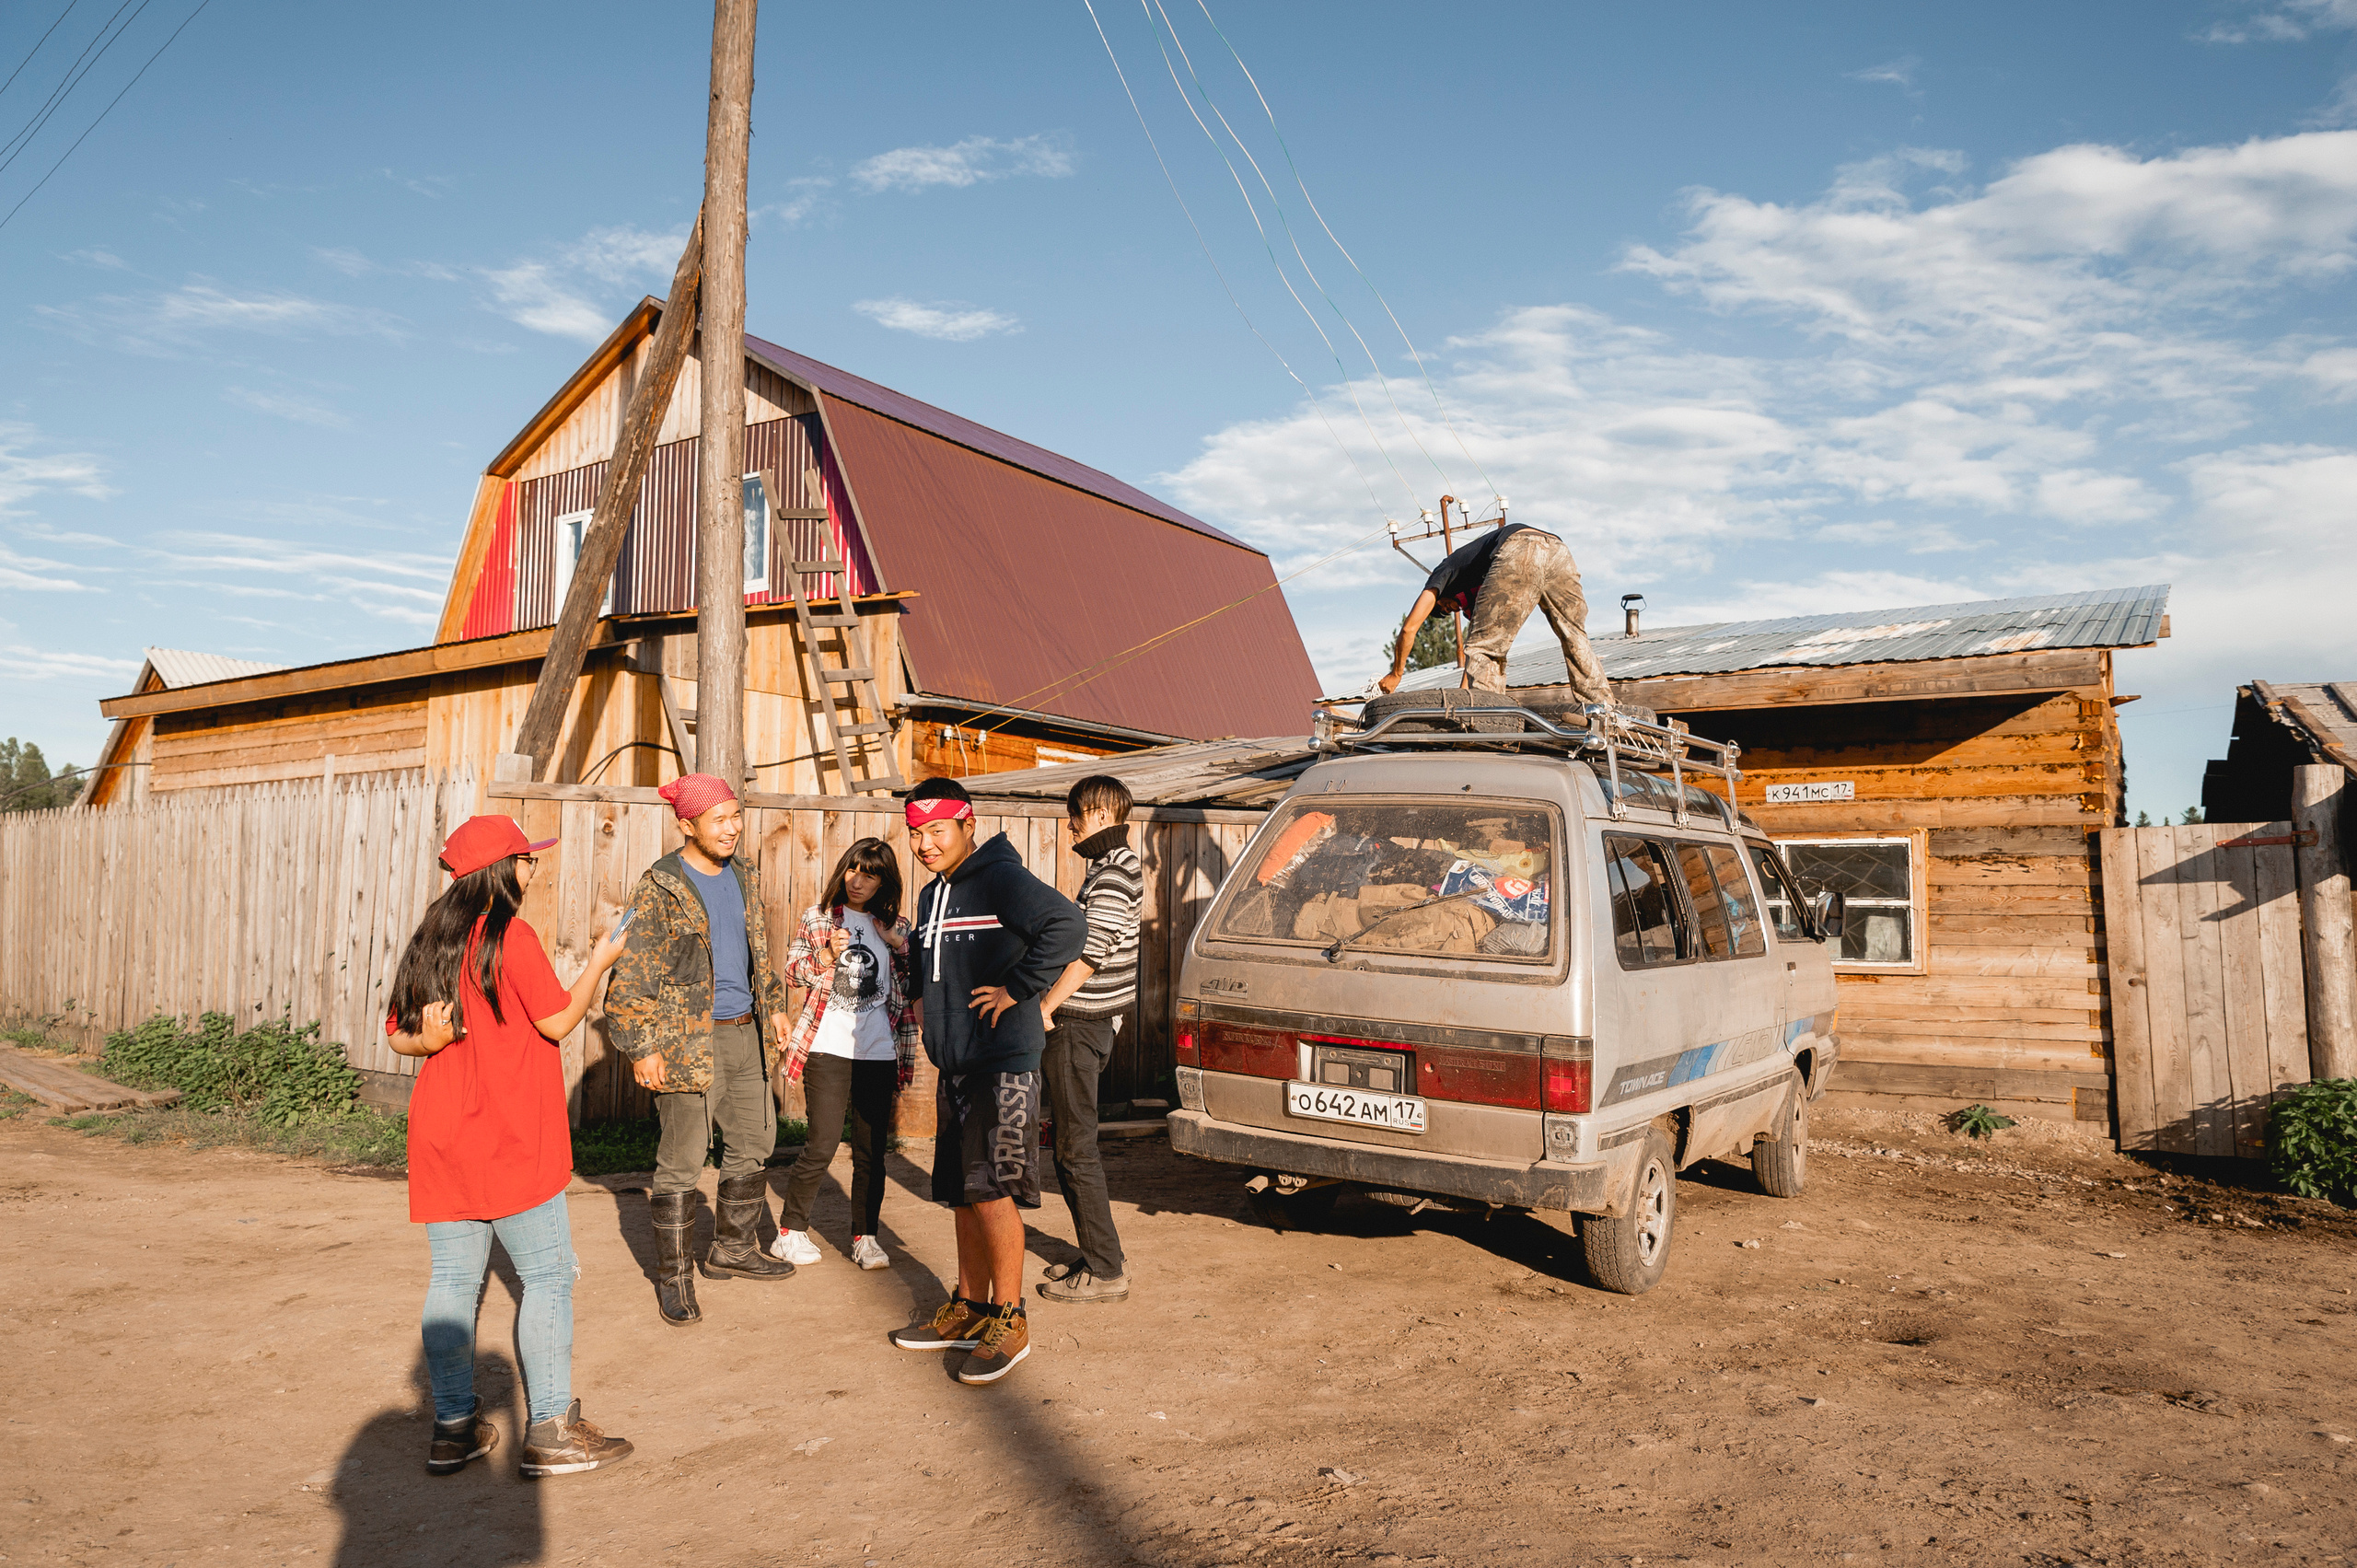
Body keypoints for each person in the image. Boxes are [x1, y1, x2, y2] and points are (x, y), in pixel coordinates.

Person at [386, 813, 634, 1479]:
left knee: (453, 1280)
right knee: (547, 1275)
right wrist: (599, 963)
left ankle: (453, 1427)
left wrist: (430, 1043)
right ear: (501, 869)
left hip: (443, 1132)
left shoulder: (432, 937)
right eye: (526, 859)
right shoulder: (509, 935)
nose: (532, 869)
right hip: (509, 1133)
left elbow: (398, 1034)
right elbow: (556, 1018)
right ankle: (551, 1427)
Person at [886, 776, 1086, 1385]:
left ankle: (1010, 1315)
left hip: (1003, 1063)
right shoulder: (932, 895)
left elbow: (1069, 926)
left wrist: (1020, 989)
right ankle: (969, 1309)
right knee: (962, 1193)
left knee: (994, 1191)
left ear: (968, 824)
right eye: (916, 833)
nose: (924, 843)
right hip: (957, 1066)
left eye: (936, 831)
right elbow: (934, 967)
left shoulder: (1000, 877)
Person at [606, 772, 797, 1328]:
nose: (732, 828)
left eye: (736, 816)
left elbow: (759, 952)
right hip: (686, 1041)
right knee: (683, 1160)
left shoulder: (744, 875)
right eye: (719, 819)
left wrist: (777, 1007)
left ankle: (732, 1248)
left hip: (747, 1031)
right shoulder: (659, 886)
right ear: (686, 824)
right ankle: (674, 1276)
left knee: (755, 1140)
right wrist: (641, 1047)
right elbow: (631, 972)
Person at [772, 837, 919, 1271]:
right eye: (853, 869)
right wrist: (828, 953)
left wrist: (898, 943)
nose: (859, 880)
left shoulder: (896, 926)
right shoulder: (817, 918)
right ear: (842, 871)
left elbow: (912, 986)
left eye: (870, 873)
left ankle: (865, 1237)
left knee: (871, 1149)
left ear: (884, 881)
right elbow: (793, 973)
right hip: (827, 1046)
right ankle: (790, 1232)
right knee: (821, 1143)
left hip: (878, 1050)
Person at [1031, 774, 1143, 1306]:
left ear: (1098, 813)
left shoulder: (1115, 873)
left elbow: (1092, 952)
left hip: (1078, 1026)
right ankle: (1096, 1253)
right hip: (1086, 1025)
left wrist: (1045, 1008)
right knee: (1072, 1148)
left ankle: (1106, 1269)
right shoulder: (1108, 869)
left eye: (1075, 814)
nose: (1070, 824)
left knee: (1076, 1150)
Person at [1376, 520, 1612, 705]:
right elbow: (1475, 653)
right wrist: (1462, 697)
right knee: (1574, 635)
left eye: (1444, 606)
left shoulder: (1442, 572)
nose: (1451, 609)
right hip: (1559, 551)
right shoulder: (1482, 585)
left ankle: (1487, 716)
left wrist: (1396, 673)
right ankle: (1602, 706)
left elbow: (1409, 628)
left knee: (1485, 648)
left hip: (1519, 546)